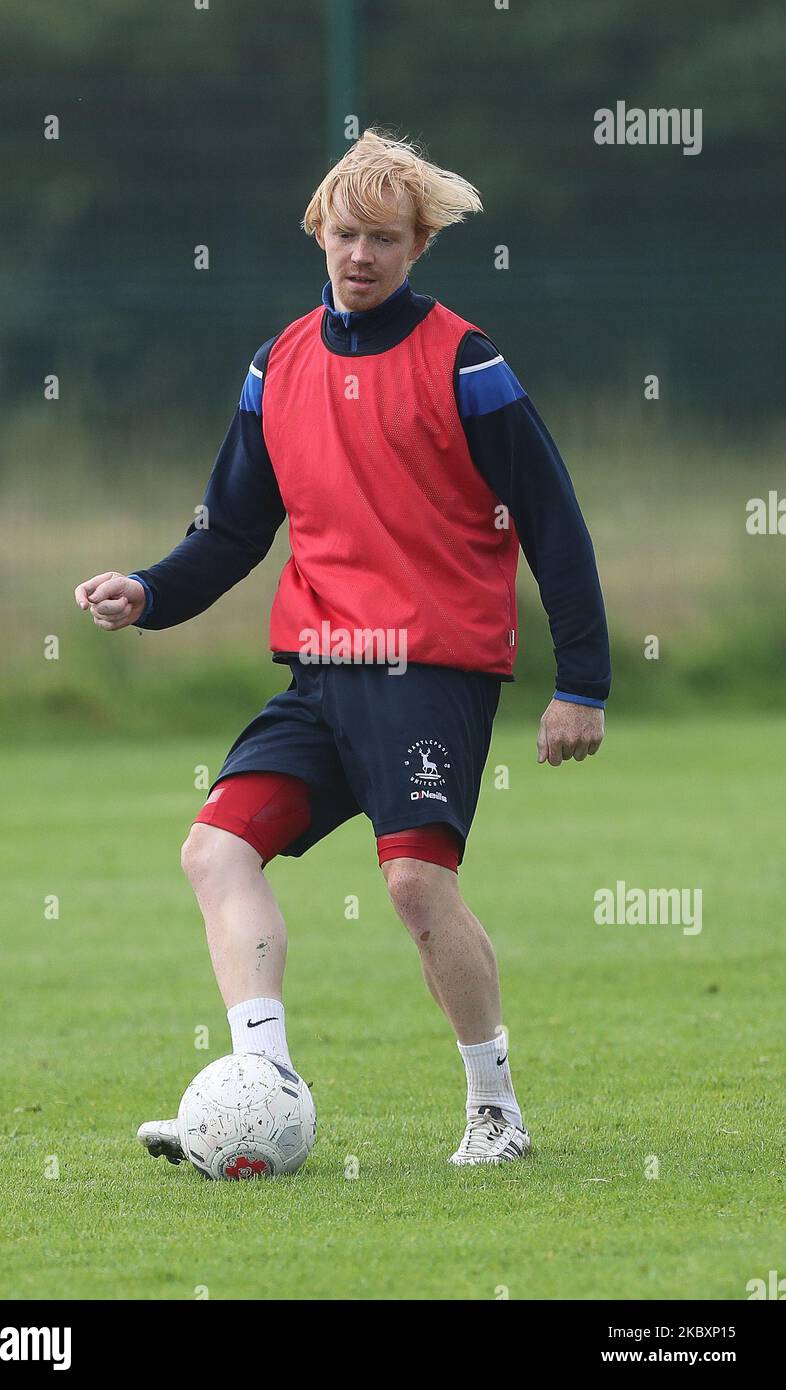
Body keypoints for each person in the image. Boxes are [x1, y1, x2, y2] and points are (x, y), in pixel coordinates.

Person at [74, 128, 610, 1168]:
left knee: (414, 885)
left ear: (417, 248)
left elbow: (552, 520)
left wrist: (579, 682)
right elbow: (230, 531)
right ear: (316, 233)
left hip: (431, 673)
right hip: (319, 673)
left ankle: (493, 1109)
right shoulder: (276, 365)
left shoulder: (467, 362)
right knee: (213, 849)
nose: (359, 256)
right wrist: (146, 590)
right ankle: (258, 1084)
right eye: (344, 235)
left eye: (383, 239)